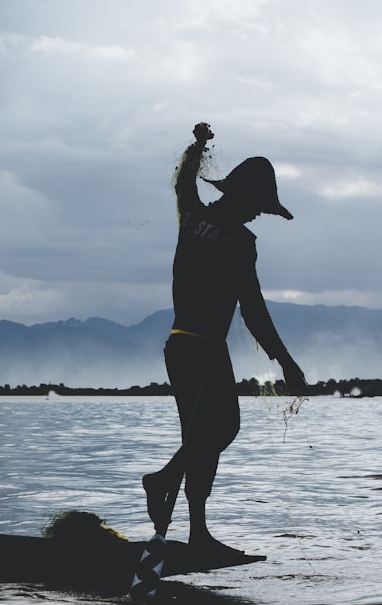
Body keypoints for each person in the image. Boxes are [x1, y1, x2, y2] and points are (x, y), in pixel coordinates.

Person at [142, 122, 306, 553]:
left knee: (201, 439)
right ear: (243, 198)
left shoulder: (193, 217)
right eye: (256, 205)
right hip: (206, 349)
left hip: (180, 346)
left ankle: (196, 532)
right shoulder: (239, 241)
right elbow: (253, 311)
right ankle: (165, 484)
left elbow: (182, 183)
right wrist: (285, 360)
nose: (256, 214)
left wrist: (197, 147)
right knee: (221, 429)